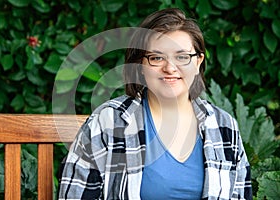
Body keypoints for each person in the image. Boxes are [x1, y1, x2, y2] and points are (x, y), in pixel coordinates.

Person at [58, 8, 252, 200]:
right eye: (157, 57)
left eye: (182, 57)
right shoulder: (107, 122)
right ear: (141, 66)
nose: (170, 68)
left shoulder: (224, 126)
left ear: (198, 62)